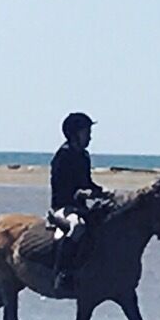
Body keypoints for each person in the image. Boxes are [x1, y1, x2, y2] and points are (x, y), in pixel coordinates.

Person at [47, 112, 114, 289]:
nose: (90, 137)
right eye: (87, 132)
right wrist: (81, 194)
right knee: (77, 228)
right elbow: (61, 188)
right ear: (74, 134)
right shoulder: (63, 156)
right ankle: (63, 273)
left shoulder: (84, 156)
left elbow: (87, 182)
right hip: (63, 207)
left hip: (80, 207)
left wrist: (101, 191)